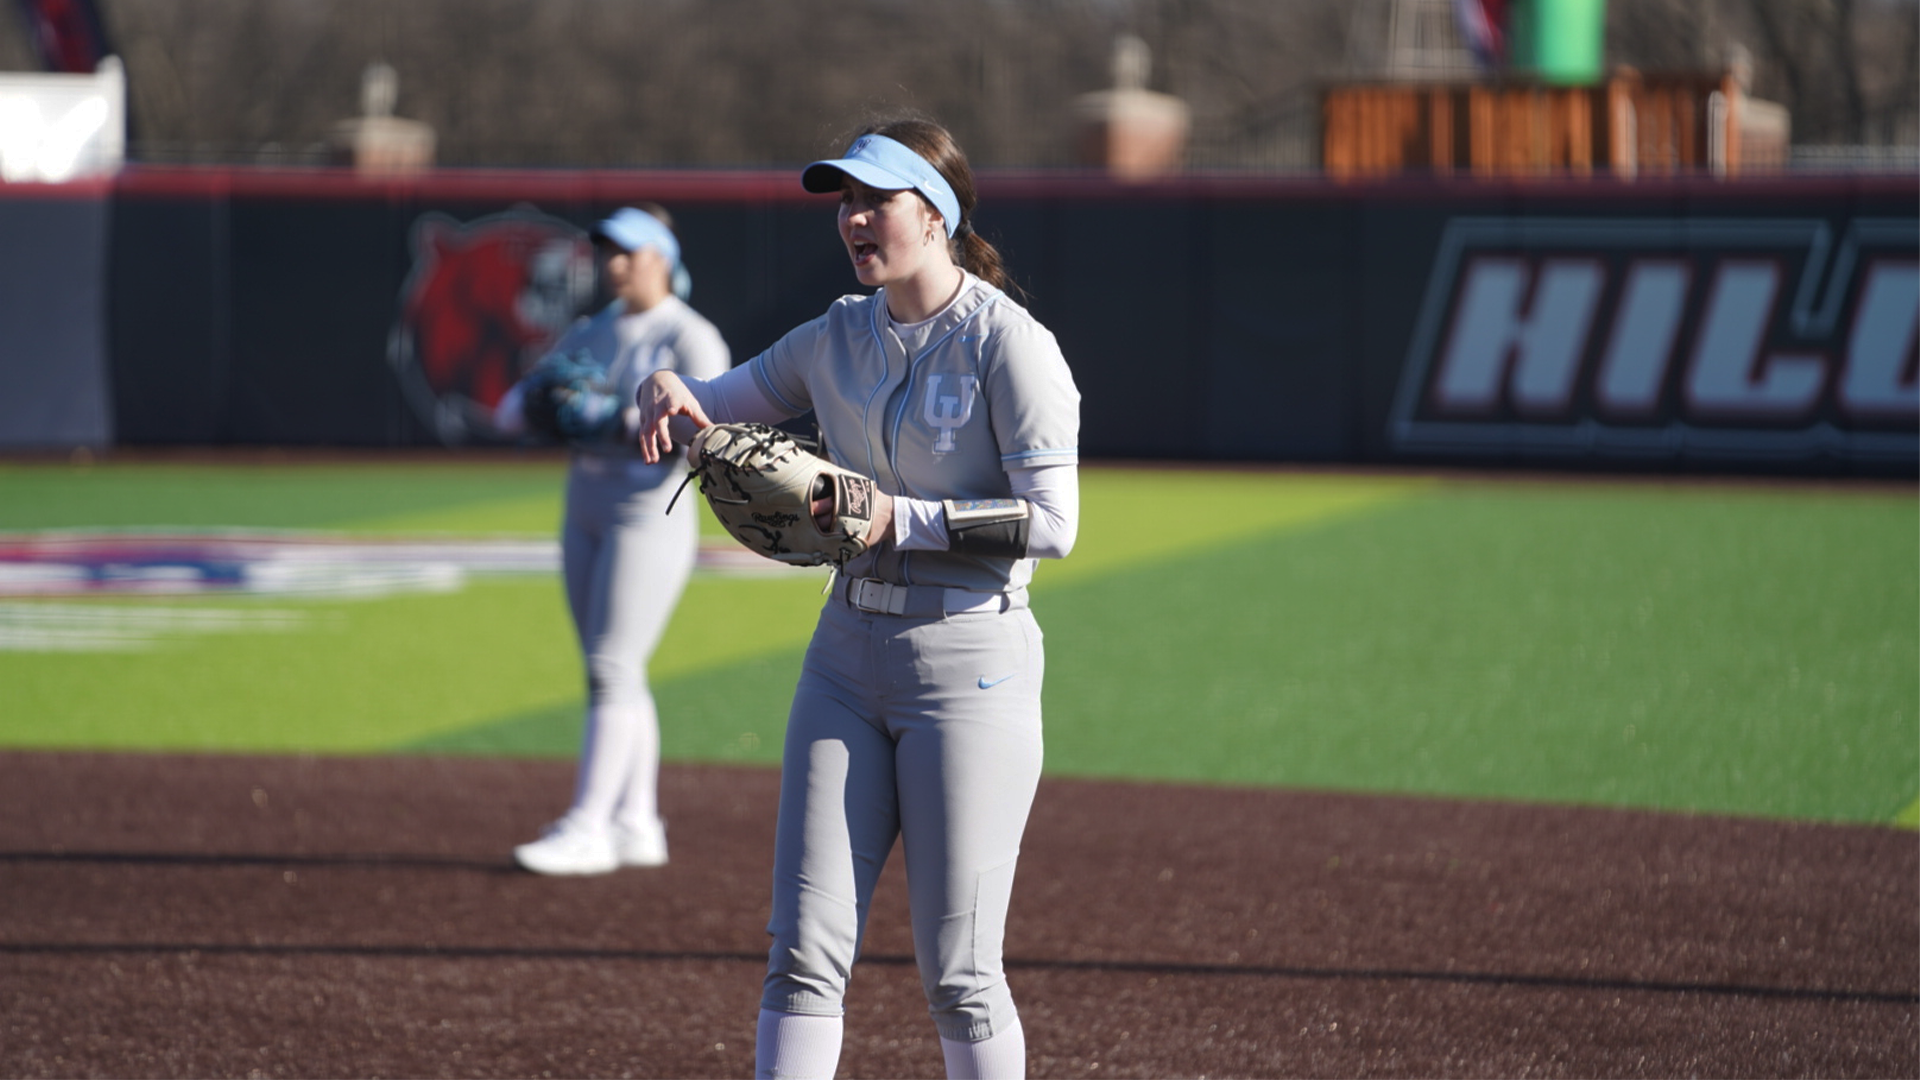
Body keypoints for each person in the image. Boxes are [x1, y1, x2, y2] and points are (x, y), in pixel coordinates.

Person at [635, 119, 1079, 1080]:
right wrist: (673, 388)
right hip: (844, 657)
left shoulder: (1012, 347)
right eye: (845, 201)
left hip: (973, 665)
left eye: (874, 199)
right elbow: (719, 400)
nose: (854, 218)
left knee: (960, 971)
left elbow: (1053, 523)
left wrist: (895, 520)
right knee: (800, 954)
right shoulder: (837, 333)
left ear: (936, 214)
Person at [495, 203, 731, 876]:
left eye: (629, 252)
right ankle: (636, 821)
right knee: (617, 669)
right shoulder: (590, 331)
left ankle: (589, 825)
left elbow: (706, 432)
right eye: (609, 252)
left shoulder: (690, 337)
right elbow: (512, 411)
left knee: (611, 666)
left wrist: (613, 419)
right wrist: (540, 403)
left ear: (662, 257)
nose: (615, 264)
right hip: (586, 505)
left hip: (647, 512)